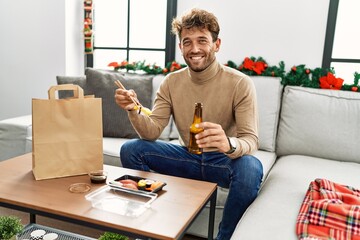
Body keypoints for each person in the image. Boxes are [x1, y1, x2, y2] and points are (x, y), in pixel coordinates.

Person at [114, 8, 263, 240]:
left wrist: (228, 144)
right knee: (131, 149)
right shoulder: (171, 82)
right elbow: (152, 131)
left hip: (222, 162)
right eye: (187, 42)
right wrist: (133, 109)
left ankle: (224, 237)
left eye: (202, 40)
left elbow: (250, 140)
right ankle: (144, 228)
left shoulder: (240, 83)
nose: (194, 49)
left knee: (251, 167)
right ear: (181, 47)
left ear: (217, 44)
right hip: (187, 158)